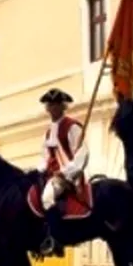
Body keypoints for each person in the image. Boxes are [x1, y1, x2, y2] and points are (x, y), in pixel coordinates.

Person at [37, 88, 89, 257]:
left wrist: (65, 172)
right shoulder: (47, 133)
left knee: (46, 197)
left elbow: (82, 154)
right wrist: (37, 171)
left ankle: (56, 239)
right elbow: (45, 158)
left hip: (68, 176)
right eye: (50, 105)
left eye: (55, 105)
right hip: (51, 175)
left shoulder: (72, 127)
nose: (52, 108)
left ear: (62, 107)